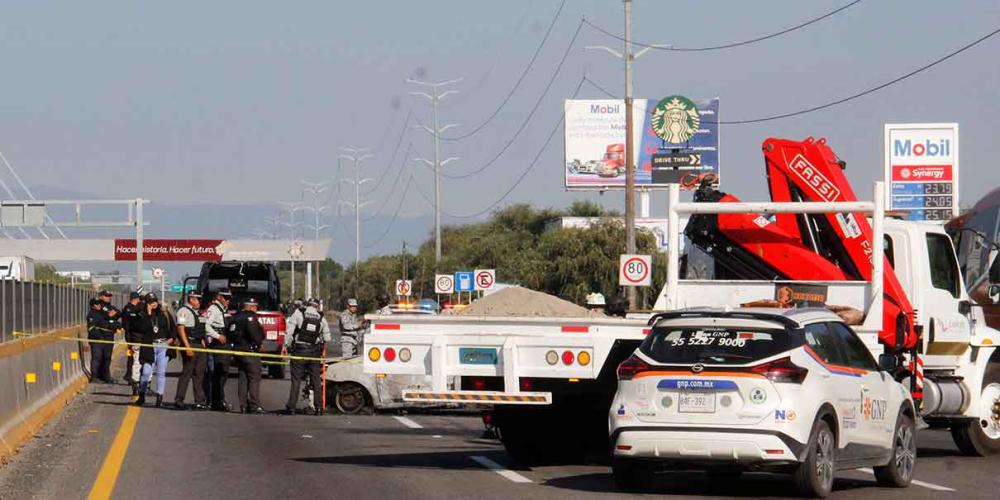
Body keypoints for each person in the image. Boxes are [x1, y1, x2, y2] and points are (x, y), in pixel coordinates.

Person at [283, 298, 331, 415]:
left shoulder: (299, 313)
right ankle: (319, 408)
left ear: (307, 304)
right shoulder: (320, 317)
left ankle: (292, 407)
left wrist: (286, 345)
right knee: (315, 380)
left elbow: (289, 332)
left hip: (300, 350)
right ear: (317, 306)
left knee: (296, 380)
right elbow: (327, 338)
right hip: (314, 353)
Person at [134, 293, 175, 407]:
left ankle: (159, 398)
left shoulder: (164, 314)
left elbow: (172, 328)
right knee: (146, 372)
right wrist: (148, 313)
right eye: (151, 302)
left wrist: (170, 340)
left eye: (155, 301)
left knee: (161, 373)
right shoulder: (143, 315)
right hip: (149, 347)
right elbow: (142, 328)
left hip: (163, 346)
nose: (154, 303)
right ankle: (141, 396)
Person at [174, 292, 209, 410]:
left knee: (199, 374)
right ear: (191, 299)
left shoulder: (197, 312)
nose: (199, 302)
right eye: (197, 300)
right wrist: (187, 346)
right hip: (190, 344)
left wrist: (203, 342)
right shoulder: (183, 311)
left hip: (199, 344)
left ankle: (199, 400)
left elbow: (200, 329)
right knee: (187, 373)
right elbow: (181, 328)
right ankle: (179, 400)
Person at [230, 297, 265, 414]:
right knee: (254, 377)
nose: (256, 310)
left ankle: (243, 405)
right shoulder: (250, 317)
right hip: (249, 350)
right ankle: (255, 405)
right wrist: (259, 343)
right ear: (250, 307)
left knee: (243, 377)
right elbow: (254, 333)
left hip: (237, 350)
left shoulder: (235, 316)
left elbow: (230, 332)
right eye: (255, 307)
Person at [205, 289, 233, 411]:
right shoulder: (214, 309)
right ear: (219, 297)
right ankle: (217, 401)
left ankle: (218, 399)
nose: (228, 300)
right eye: (225, 298)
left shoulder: (224, 309)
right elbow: (206, 326)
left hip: (225, 342)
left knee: (224, 373)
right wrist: (217, 336)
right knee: (219, 374)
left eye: (229, 298)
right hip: (218, 343)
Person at [86, 298, 115, 383]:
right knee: (96, 358)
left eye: (99, 304)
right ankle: (94, 377)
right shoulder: (91, 314)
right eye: (97, 304)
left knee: (106, 358)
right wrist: (99, 335)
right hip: (97, 341)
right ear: (93, 306)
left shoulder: (101, 313)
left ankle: (105, 377)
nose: (99, 305)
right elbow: (92, 328)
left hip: (105, 340)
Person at [121, 292, 143, 392]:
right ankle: (129, 375)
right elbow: (126, 323)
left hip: (133, 335)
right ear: (135, 299)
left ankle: (130, 374)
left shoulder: (136, 308)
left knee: (133, 356)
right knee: (132, 356)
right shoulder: (128, 308)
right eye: (139, 299)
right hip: (130, 335)